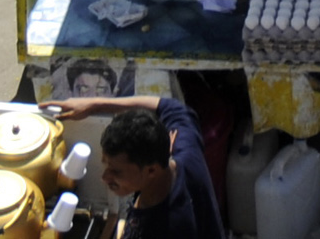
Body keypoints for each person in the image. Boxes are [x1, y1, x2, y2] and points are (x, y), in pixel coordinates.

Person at [36, 96, 231, 239]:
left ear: (151, 170)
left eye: (116, 171)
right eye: (106, 165)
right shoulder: (185, 148)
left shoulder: (162, 228)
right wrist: (94, 104)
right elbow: (168, 106)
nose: (105, 177)